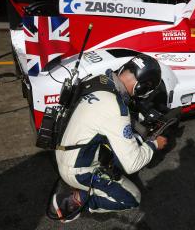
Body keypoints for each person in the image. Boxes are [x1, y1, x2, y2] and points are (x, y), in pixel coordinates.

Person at [52, 54, 168, 222]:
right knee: (132, 198)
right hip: (77, 171)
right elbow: (132, 163)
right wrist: (153, 145)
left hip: (62, 152)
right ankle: (79, 201)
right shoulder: (116, 109)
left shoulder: (98, 80)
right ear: (141, 88)